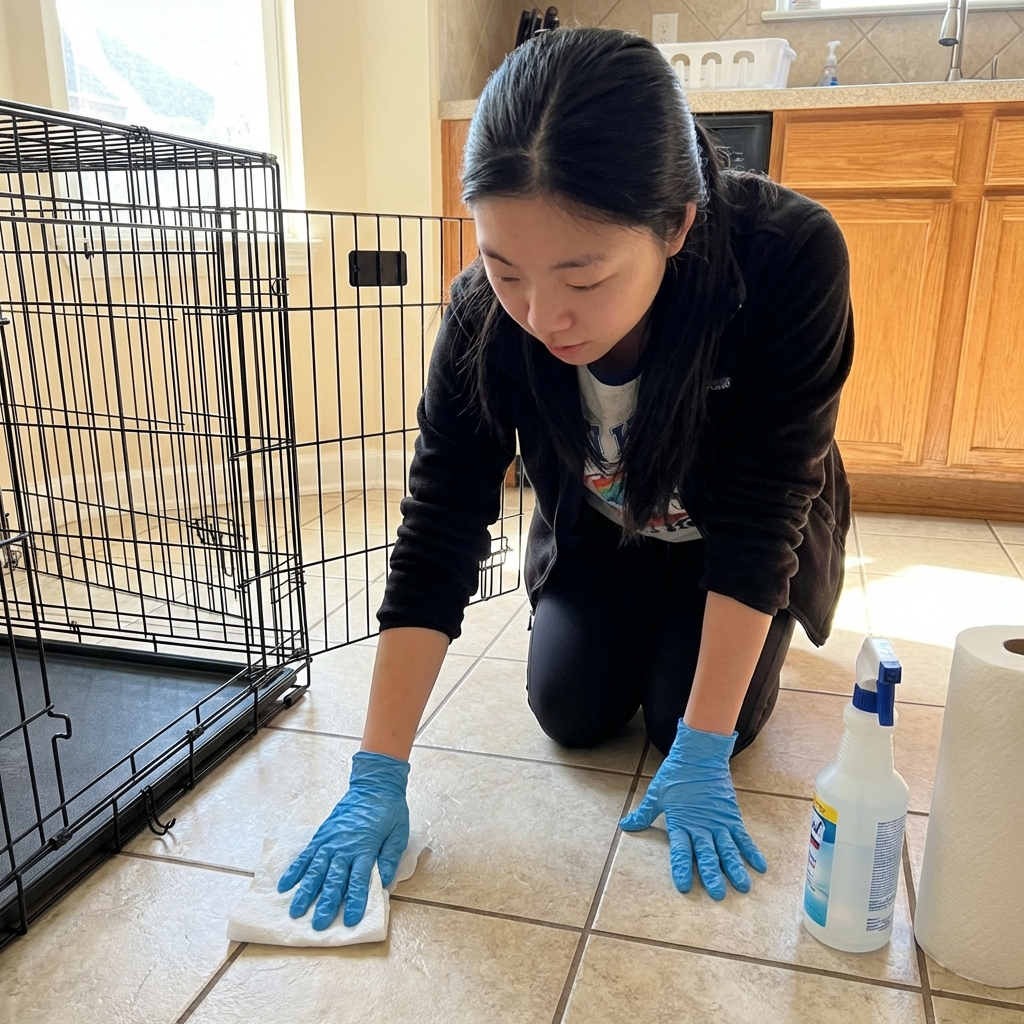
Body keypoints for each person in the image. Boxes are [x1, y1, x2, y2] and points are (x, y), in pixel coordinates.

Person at [277, 26, 853, 929]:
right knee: (572, 710)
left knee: (682, 722)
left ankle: (704, 699)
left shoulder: (787, 259)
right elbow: (439, 524)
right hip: (607, 532)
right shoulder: (484, 316)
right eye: (506, 271)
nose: (544, 317)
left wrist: (702, 745)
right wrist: (375, 773)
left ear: (676, 226)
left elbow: (765, 513)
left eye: (584, 277)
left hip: (732, 543)